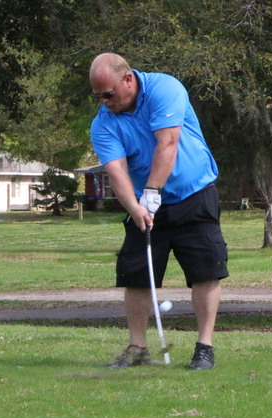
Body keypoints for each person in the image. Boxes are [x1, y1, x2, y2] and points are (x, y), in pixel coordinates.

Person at [88, 53, 228, 370]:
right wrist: (135, 207)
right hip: (144, 205)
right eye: (97, 96)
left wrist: (151, 193)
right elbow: (116, 172)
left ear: (128, 79)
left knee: (206, 270)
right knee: (136, 273)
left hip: (195, 193)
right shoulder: (103, 123)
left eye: (107, 94)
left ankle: (204, 348)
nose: (103, 102)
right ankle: (138, 348)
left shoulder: (164, 88)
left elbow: (168, 143)